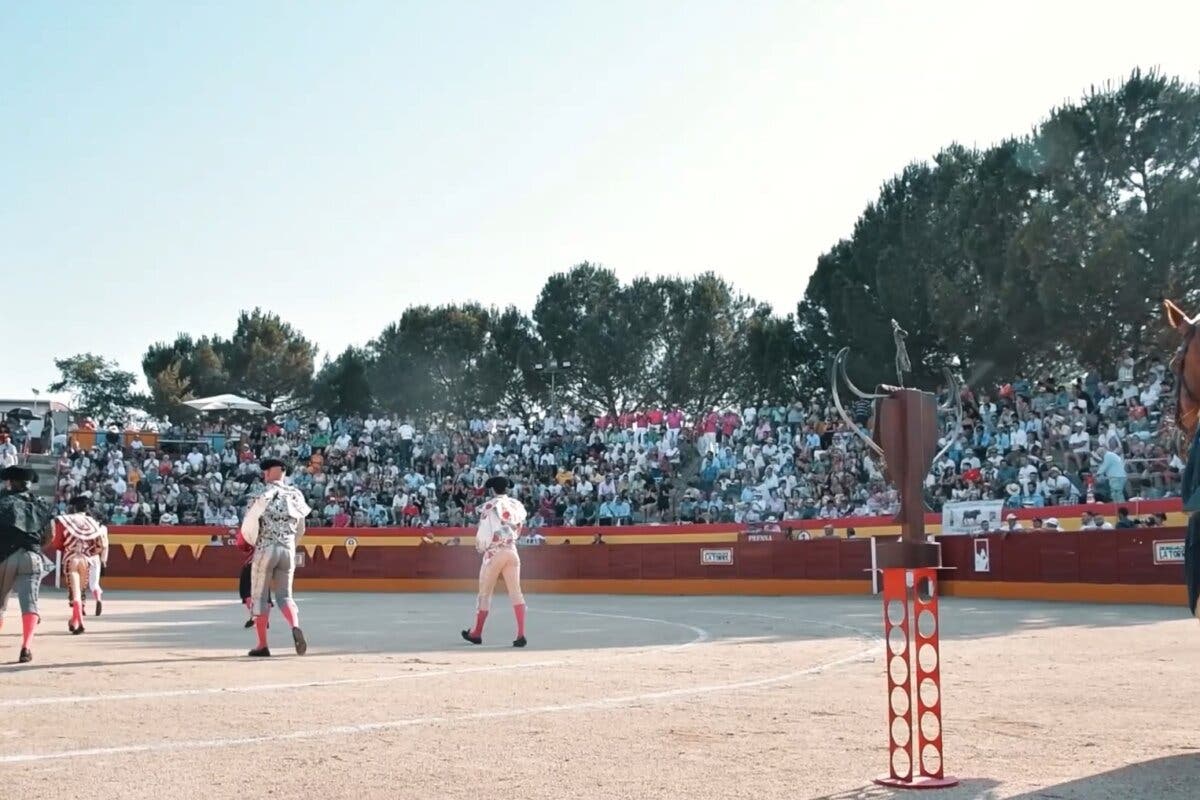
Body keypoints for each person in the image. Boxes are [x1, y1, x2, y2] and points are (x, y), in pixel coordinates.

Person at [239, 458, 311, 657]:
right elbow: (302, 528)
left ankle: (262, 645)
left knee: (259, 598)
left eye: (266, 471)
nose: (264, 474)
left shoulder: (260, 495)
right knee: (285, 596)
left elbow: (248, 526)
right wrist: (291, 545)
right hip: (287, 550)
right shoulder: (296, 495)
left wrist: (255, 544)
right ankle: (295, 626)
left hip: (266, 549)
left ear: (270, 473)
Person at [462, 476, 528, 647]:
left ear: (492, 490)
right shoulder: (516, 505)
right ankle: (521, 634)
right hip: (512, 551)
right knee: (516, 593)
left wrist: (481, 547)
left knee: (485, 594)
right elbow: (519, 528)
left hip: (493, 554)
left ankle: (476, 633)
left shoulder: (489, 507)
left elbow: (484, 535)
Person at [0, 466, 51, 663]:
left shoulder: (2, 501)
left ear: (9, 482)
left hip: (4, 557)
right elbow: (51, 533)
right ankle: (26, 646)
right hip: (31, 557)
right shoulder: (39, 504)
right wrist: (36, 547)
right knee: (30, 603)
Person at [52, 496, 109, 633]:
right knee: (81, 592)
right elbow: (100, 545)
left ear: (73, 508)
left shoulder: (65, 520)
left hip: (71, 559)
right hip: (85, 560)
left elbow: (57, 542)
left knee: (75, 593)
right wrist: (88, 552)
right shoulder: (93, 523)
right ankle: (75, 621)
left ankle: (80, 622)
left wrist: (67, 548)